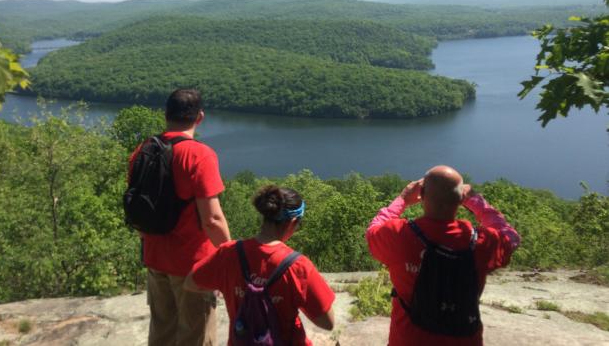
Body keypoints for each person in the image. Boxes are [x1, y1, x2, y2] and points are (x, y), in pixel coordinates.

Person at [365, 165, 520, 346]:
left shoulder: (400, 236)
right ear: (461, 198)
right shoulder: (482, 243)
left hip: (409, 340)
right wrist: (476, 201)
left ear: (422, 195)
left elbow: (372, 232)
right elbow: (512, 237)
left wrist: (402, 199)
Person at [130, 88, 231, 346]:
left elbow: (137, 207)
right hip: (192, 265)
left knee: (162, 332)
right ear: (200, 117)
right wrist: (230, 256)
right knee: (196, 336)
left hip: (154, 258)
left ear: (166, 114)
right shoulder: (199, 155)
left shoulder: (143, 150)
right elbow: (213, 220)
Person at [185, 185, 336, 345]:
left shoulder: (228, 254)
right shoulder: (298, 267)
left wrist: (228, 286)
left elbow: (190, 283)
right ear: (292, 222)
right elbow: (328, 323)